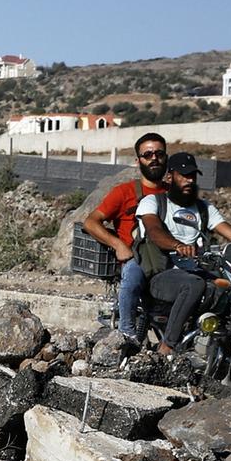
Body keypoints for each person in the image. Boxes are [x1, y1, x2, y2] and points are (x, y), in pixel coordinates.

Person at [136, 152, 231, 354]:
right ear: (169, 177)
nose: (189, 180)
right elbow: (154, 232)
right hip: (162, 274)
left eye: (192, 175)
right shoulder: (153, 202)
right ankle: (167, 347)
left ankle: (228, 350)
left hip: (196, 270)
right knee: (194, 284)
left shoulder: (203, 208)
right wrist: (177, 245)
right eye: (183, 175)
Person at [81, 132, 170, 341]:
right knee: (131, 280)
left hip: (171, 255)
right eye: (148, 154)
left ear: (166, 157)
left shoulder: (175, 193)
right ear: (138, 160)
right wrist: (119, 245)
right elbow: (91, 221)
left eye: (159, 153)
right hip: (139, 257)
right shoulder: (124, 192)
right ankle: (126, 335)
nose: (154, 158)